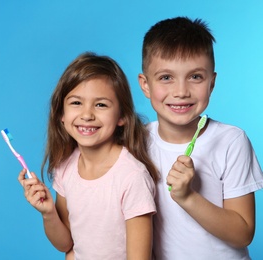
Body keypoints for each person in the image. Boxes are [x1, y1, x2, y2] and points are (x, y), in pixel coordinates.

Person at [138, 16, 263, 259]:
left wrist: (188, 197)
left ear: (212, 83)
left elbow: (243, 233)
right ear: (145, 85)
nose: (181, 91)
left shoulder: (231, 141)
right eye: (166, 77)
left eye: (195, 77)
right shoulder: (137, 142)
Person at [18, 52, 158, 259]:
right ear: (61, 115)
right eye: (76, 103)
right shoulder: (65, 167)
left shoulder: (132, 177)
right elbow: (65, 244)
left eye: (101, 104)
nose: (87, 115)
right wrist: (48, 213)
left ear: (121, 117)